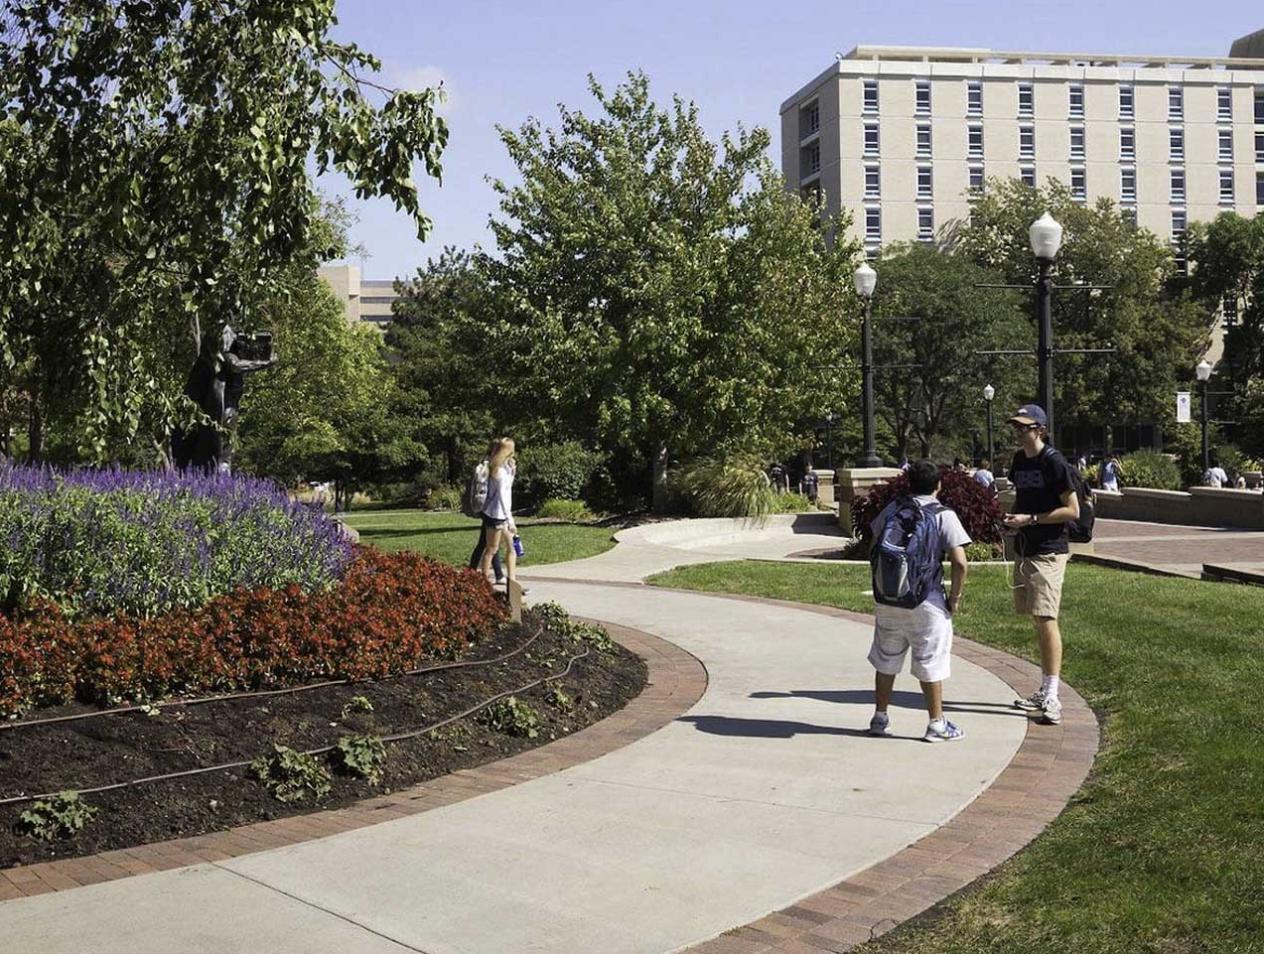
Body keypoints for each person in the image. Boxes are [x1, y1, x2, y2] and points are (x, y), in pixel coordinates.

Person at [867, 460, 971, 743]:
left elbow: (875, 540)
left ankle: (880, 717)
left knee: (886, 659)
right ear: (938, 485)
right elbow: (960, 563)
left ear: (908, 483)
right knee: (931, 661)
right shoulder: (943, 514)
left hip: (888, 597)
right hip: (926, 600)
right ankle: (936, 724)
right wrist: (955, 598)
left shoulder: (893, 508)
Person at [1002, 405, 1080, 727]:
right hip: (1026, 547)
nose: (1018, 432)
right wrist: (1013, 520)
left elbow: (1073, 510)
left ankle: (1052, 695)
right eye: (1015, 427)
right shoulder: (1020, 461)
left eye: (1024, 427)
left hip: (1049, 550)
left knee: (1047, 618)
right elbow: (1023, 497)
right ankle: (1043, 688)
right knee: (1037, 618)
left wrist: (1031, 520)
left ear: (1040, 430)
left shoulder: (1054, 462)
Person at [478, 437, 521, 592]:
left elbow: (507, 488)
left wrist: (513, 471)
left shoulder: (500, 468)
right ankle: (484, 582)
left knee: (510, 549)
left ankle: (512, 584)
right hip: (497, 515)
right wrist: (510, 521)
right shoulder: (499, 471)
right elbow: (503, 497)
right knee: (492, 549)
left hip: (497, 514)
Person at [467, 443, 505, 585]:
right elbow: (501, 490)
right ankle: (482, 575)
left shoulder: (488, 463)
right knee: (491, 545)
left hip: (487, 509)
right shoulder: (494, 466)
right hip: (492, 510)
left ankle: (472, 571)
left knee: (487, 543)